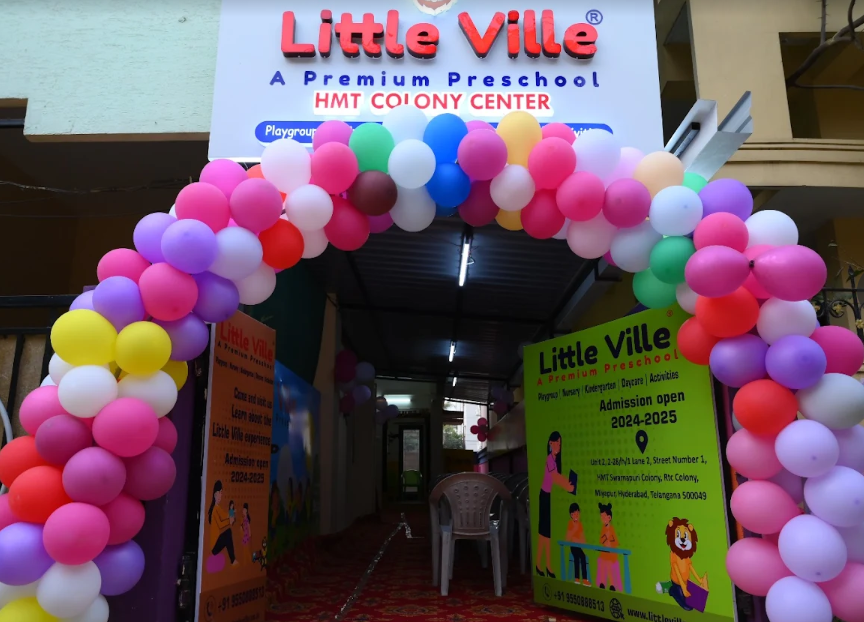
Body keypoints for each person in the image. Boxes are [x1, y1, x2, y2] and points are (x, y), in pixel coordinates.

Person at [535, 431, 574, 578]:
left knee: (546, 534)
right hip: (545, 496)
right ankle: (542, 564)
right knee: (544, 533)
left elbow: (558, 477)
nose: (558, 445)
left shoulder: (555, 459)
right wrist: (567, 486)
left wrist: (567, 483)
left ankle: (545, 564)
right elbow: (555, 477)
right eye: (556, 442)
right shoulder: (549, 459)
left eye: (560, 443)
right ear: (550, 443)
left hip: (548, 496)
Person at [208, 481, 238, 566]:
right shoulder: (215, 509)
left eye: (221, 492)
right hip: (214, 546)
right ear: (215, 494)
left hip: (217, 542)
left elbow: (225, 515)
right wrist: (230, 520)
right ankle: (233, 560)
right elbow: (220, 524)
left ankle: (233, 560)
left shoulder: (218, 508)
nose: (221, 495)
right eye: (220, 492)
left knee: (228, 533)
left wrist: (231, 511)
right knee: (228, 533)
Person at [597, 502, 622, 590]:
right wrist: (605, 539)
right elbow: (601, 540)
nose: (603, 519)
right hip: (604, 553)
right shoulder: (603, 529)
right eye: (601, 517)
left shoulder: (611, 529)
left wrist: (610, 542)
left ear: (609, 517)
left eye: (604, 517)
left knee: (608, 565)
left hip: (611, 554)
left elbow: (615, 542)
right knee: (602, 565)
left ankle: (612, 584)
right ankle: (602, 583)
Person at [566, 502, 590, 586]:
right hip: (573, 546)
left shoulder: (580, 524)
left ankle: (583, 579)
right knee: (578, 558)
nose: (576, 515)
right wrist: (574, 531)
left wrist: (578, 539)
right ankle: (578, 578)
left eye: (577, 513)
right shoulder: (570, 523)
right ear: (571, 515)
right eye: (574, 514)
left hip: (578, 546)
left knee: (582, 557)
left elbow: (583, 539)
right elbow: (568, 538)